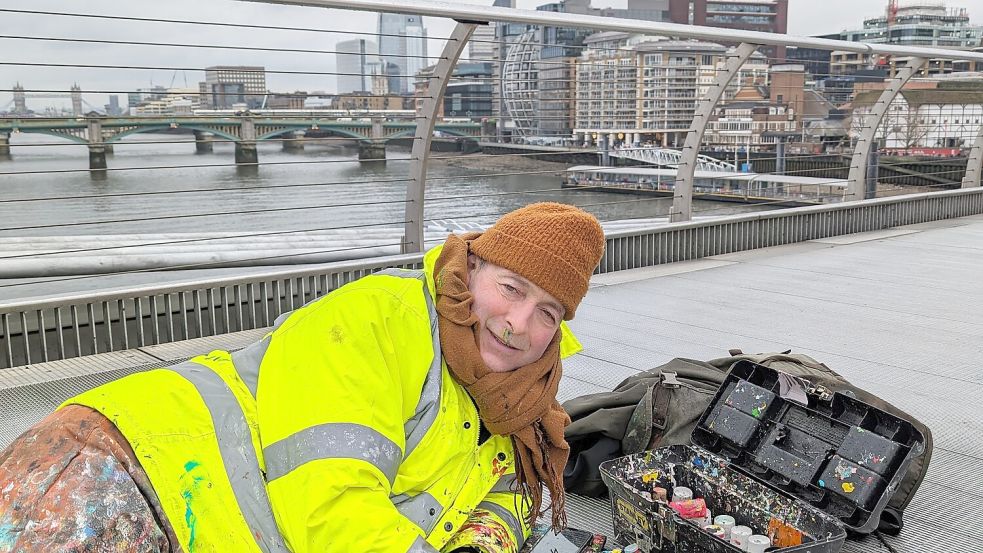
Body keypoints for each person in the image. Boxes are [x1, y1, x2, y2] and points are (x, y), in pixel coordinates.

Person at [0, 202, 606, 553]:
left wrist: (482, 545)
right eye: (511, 289)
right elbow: (330, 505)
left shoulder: (524, 406)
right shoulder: (381, 317)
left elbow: (511, 497)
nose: (518, 323)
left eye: (547, 312)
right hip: (119, 474)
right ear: (470, 270)